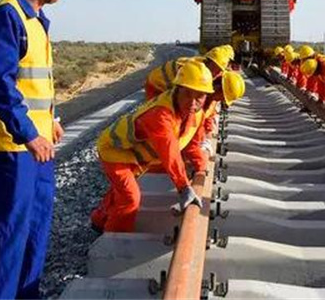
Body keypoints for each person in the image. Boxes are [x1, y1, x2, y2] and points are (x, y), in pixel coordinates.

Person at [0, 0, 80, 299]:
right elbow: (0, 83)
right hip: (11, 148)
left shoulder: (37, 21)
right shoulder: (7, 16)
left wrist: (49, 122)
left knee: (35, 228)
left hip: (37, 146)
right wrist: (27, 133)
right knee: (8, 236)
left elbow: (33, 83)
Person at [91, 60, 213, 233]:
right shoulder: (161, 114)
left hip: (135, 153)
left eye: (199, 96)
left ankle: (98, 220)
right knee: (130, 198)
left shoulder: (194, 113)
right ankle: (113, 239)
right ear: (176, 90)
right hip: (115, 151)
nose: (193, 102)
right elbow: (168, 150)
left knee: (122, 188)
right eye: (187, 94)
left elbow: (191, 142)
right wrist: (184, 187)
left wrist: (202, 168)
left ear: (206, 96)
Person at [183, 71, 246, 172]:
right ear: (218, 89)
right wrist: (200, 161)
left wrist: (208, 131)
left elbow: (208, 114)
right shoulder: (196, 99)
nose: (221, 100)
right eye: (223, 97)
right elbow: (191, 132)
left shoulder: (210, 96)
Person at [144, 45, 231, 99]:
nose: (216, 73)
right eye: (215, 69)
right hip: (156, 84)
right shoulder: (192, 69)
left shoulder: (204, 66)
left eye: (219, 71)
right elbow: (181, 96)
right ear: (209, 61)